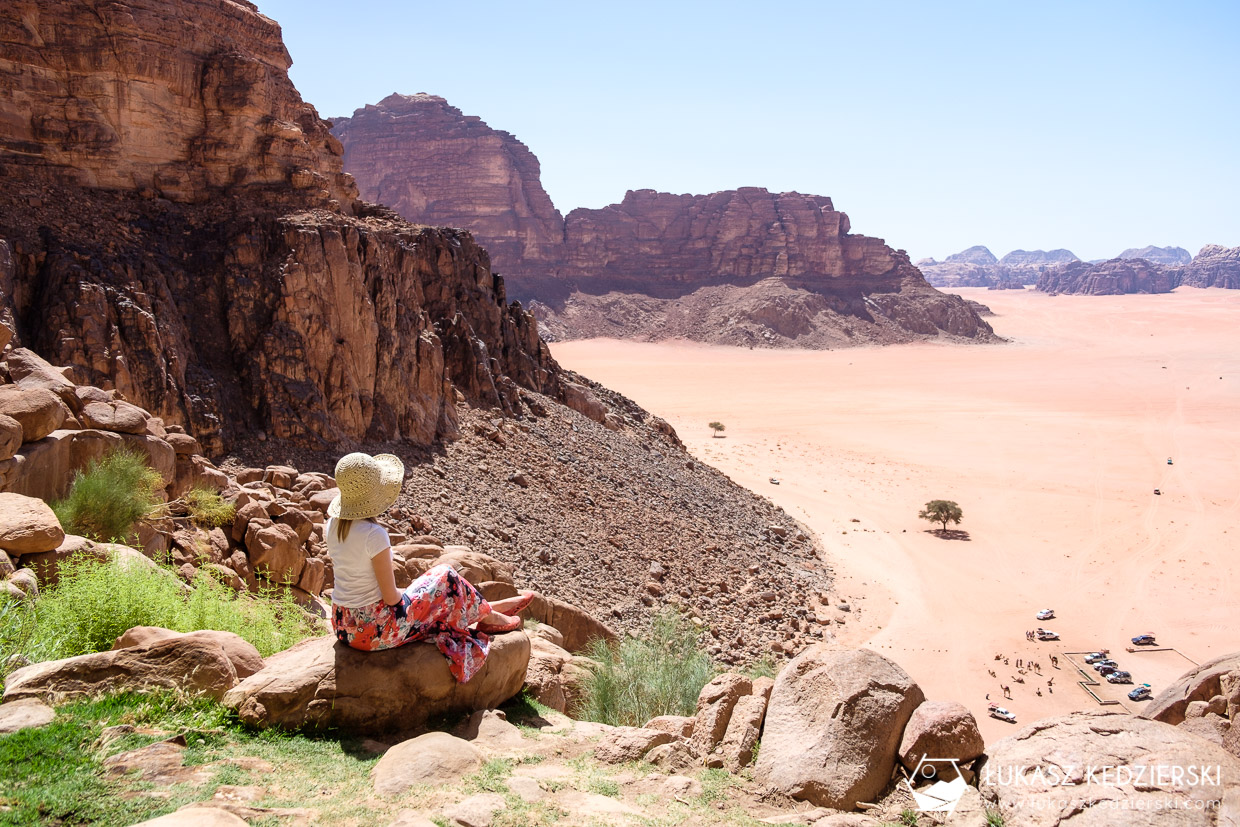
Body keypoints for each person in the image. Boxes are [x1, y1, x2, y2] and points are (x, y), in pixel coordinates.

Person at [325, 452, 532, 682]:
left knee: (432, 586)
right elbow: (392, 600)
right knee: (446, 576)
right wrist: (413, 595)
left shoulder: (332, 525)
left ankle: (486, 608)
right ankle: (488, 615)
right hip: (376, 630)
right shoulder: (374, 535)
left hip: (344, 625)